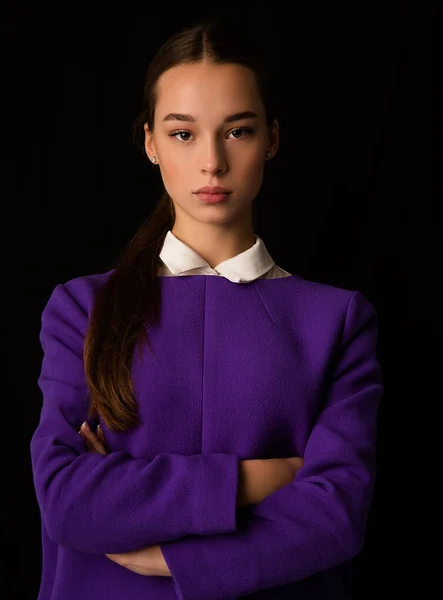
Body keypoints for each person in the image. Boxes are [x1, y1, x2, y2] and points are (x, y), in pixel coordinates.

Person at [30, 14, 384, 600]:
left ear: (271, 138)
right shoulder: (81, 308)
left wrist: (168, 557)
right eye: (183, 133)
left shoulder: (336, 320)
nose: (212, 162)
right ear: (149, 142)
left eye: (238, 131)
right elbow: (68, 502)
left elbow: (336, 517)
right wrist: (256, 480)